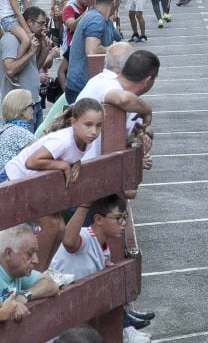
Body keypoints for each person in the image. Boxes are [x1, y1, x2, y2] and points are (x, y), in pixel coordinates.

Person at [3, 98, 104, 272]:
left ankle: (44, 270)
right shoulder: (63, 140)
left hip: (33, 185)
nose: (94, 131)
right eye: (88, 125)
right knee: (50, 225)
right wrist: (62, 165)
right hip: (13, 180)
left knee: (59, 227)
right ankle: (34, 275)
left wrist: (76, 162)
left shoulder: (85, 140)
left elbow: (72, 155)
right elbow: (32, 161)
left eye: (98, 125)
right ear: (74, 123)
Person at [50, 194, 152, 343]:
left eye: (125, 218)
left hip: (73, 312)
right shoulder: (84, 237)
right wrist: (85, 204)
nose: (123, 223)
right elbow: (69, 242)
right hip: (57, 318)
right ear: (98, 219)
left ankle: (125, 327)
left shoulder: (105, 250)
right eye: (118, 218)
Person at [64, 0, 122, 103]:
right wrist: (115, 50)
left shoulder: (105, 20)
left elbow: (119, 40)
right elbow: (92, 50)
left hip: (86, 85)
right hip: (82, 88)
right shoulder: (96, 19)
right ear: (115, 2)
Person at [2, 7, 54, 131]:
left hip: (34, 103)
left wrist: (45, 50)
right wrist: (30, 52)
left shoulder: (32, 40)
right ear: (29, 22)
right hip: (19, 108)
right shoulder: (11, 39)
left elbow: (34, 69)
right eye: (41, 23)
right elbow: (10, 70)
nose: (44, 28)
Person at [0, 224, 60, 314]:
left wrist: (24, 296)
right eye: (29, 253)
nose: (36, 260)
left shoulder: (16, 272)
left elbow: (51, 285)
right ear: (9, 254)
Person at [0, 0, 33, 87]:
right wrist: (28, 32)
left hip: (15, 18)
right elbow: (18, 13)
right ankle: (13, 70)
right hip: (8, 19)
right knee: (25, 40)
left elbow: (28, 10)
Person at [0, 89, 36, 170]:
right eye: (32, 105)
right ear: (23, 110)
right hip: (9, 181)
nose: (33, 109)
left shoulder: (5, 127)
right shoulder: (21, 133)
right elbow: (43, 153)